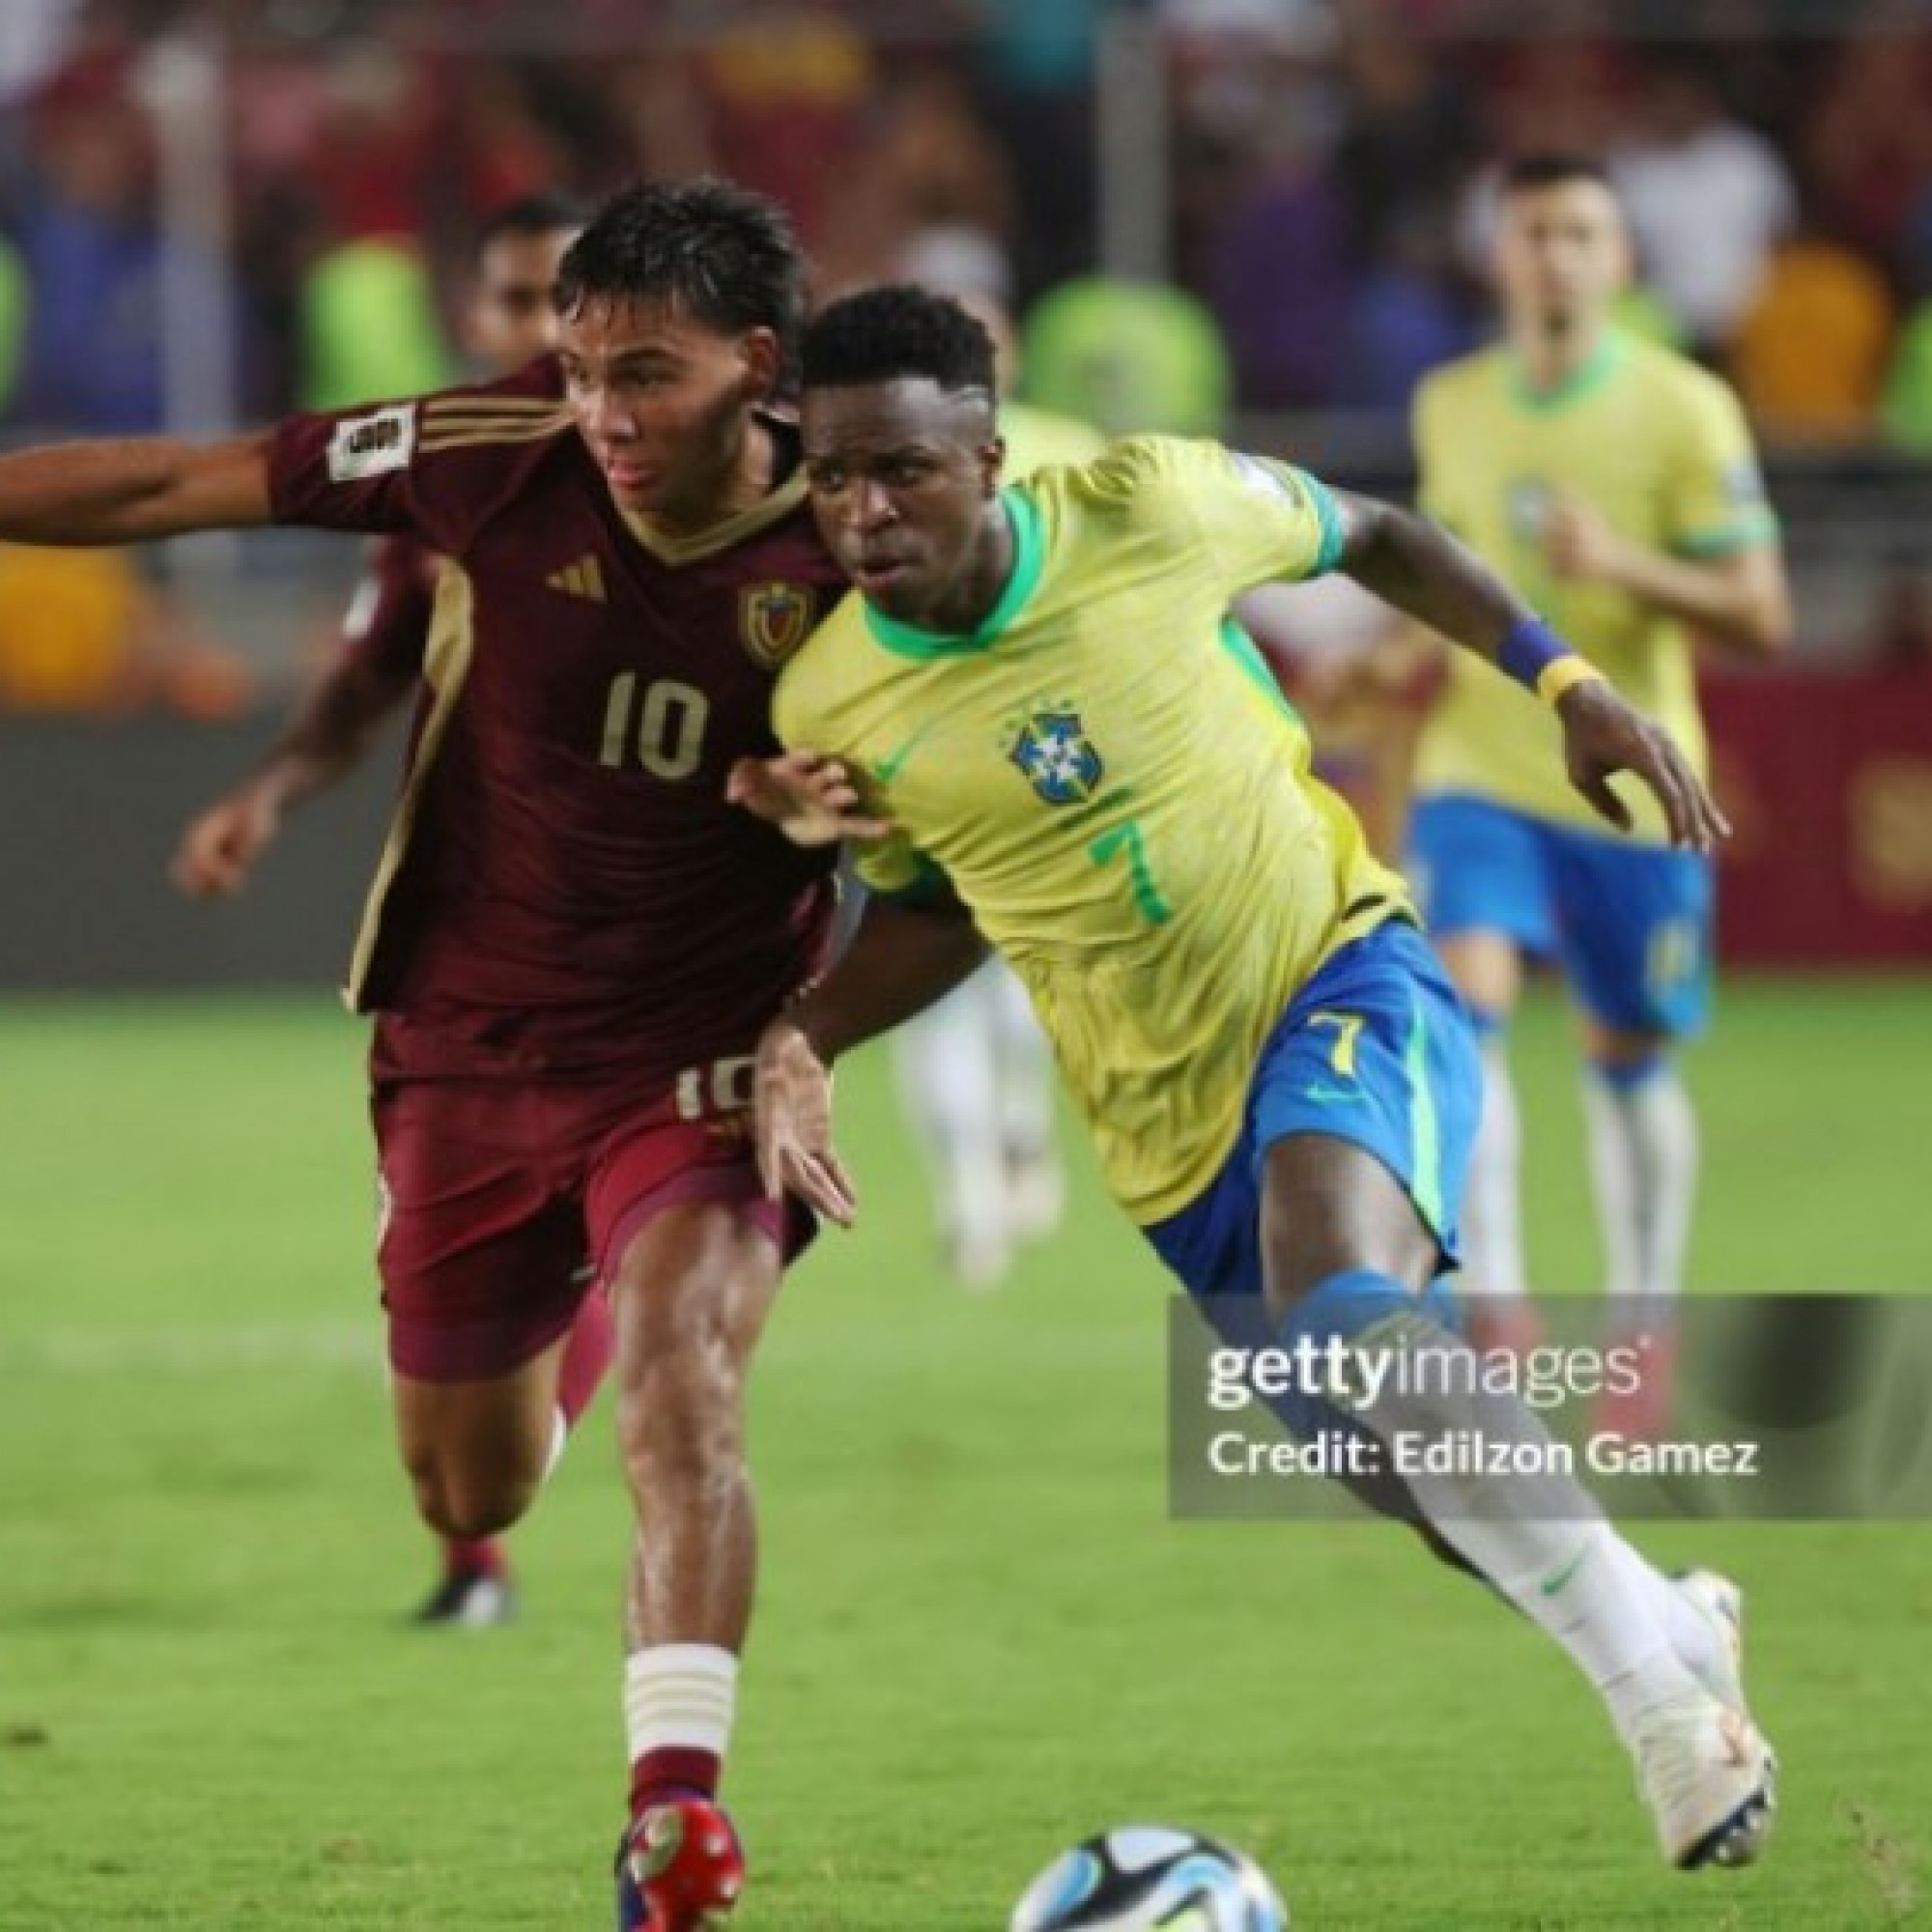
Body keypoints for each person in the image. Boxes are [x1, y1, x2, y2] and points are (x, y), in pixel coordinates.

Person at [750, 284, 1775, 1876]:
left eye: (903, 471)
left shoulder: (1148, 506)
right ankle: (1666, 1618)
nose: (865, 513)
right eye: (831, 479)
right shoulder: (831, 696)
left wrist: (1568, 686)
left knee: (1345, 1294)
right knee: (1422, 1483)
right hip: (1165, 1142)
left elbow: (1373, 535)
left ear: (991, 456)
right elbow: (945, 903)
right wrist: (805, 1035)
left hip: (1336, 969)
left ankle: (1661, 1718)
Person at [0, 178, 860, 1931]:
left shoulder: (863, 534)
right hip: (465, 1042)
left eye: (650, 375)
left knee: (690, 1396)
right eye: (583, 366)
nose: (605, 414)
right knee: (473, 1483)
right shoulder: (487, 451)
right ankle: (579, 1290)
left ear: (759, 366)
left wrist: (835, 868)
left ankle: (676, 1822)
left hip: (699, 1050)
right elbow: (181, 483)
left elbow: (963, 780)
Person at [172, 190, 588, 1628]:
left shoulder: (697, 472)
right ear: (479, 315)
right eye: (521, 301)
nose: (545, 330)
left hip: (653, 957)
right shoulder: (448, 478)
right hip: (469, 957)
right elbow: (365, 683)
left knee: (662, 1260)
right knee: (451, 1329)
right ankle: (481, 1536)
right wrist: (271, 793)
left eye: (569, 301)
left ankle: (554, 1591)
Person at [1404, 155, 1790, 1423]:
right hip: (1480, 766)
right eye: (1535, 233)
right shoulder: (1450, 404)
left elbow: (1762, 614)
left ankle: (1641, 1325)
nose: (1557, 255)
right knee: (1465, 1014)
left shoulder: (1684, 409)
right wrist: (1374, 668)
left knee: (1627, 1060)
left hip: (1633, 780)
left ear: (1620, 261)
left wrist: (1629, 564)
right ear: (1500, 256)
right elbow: (1446, 596)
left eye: (1581, 233)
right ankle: (1502, 1316)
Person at [887, 253, 1106, 1286]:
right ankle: (969, 1198)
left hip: (1048, 753)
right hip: (919, 751)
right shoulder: (874, 467)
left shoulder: (1068, 452)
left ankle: (1017, 1125)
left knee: (1025, 980)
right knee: (923, 984)